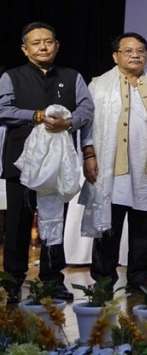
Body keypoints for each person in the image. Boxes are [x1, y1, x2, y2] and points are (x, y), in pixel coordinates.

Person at [0, 22, 94, 303]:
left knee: (55, 221)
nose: (43, 47)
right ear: (24, 49)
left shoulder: (72, 76)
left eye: (48, 41)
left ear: (57, 45)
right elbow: (2, 109)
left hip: (59, 163)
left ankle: (52, 279)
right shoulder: (11, 76)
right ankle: (13, 281)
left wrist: (70, 122)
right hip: (21, 162)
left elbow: (87, 108)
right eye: (36, 42)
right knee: (18, 223)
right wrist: (37, 116)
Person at [80, 32, 147, 295]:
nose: (136, 55)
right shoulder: (99, 85)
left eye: (141, 50)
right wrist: (89, 154)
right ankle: (103, 280)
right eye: (129, 50)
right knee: (108, 225)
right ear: (115, 56)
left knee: (144, 227)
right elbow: (86, 125)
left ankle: (138, 277)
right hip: (112, 168)